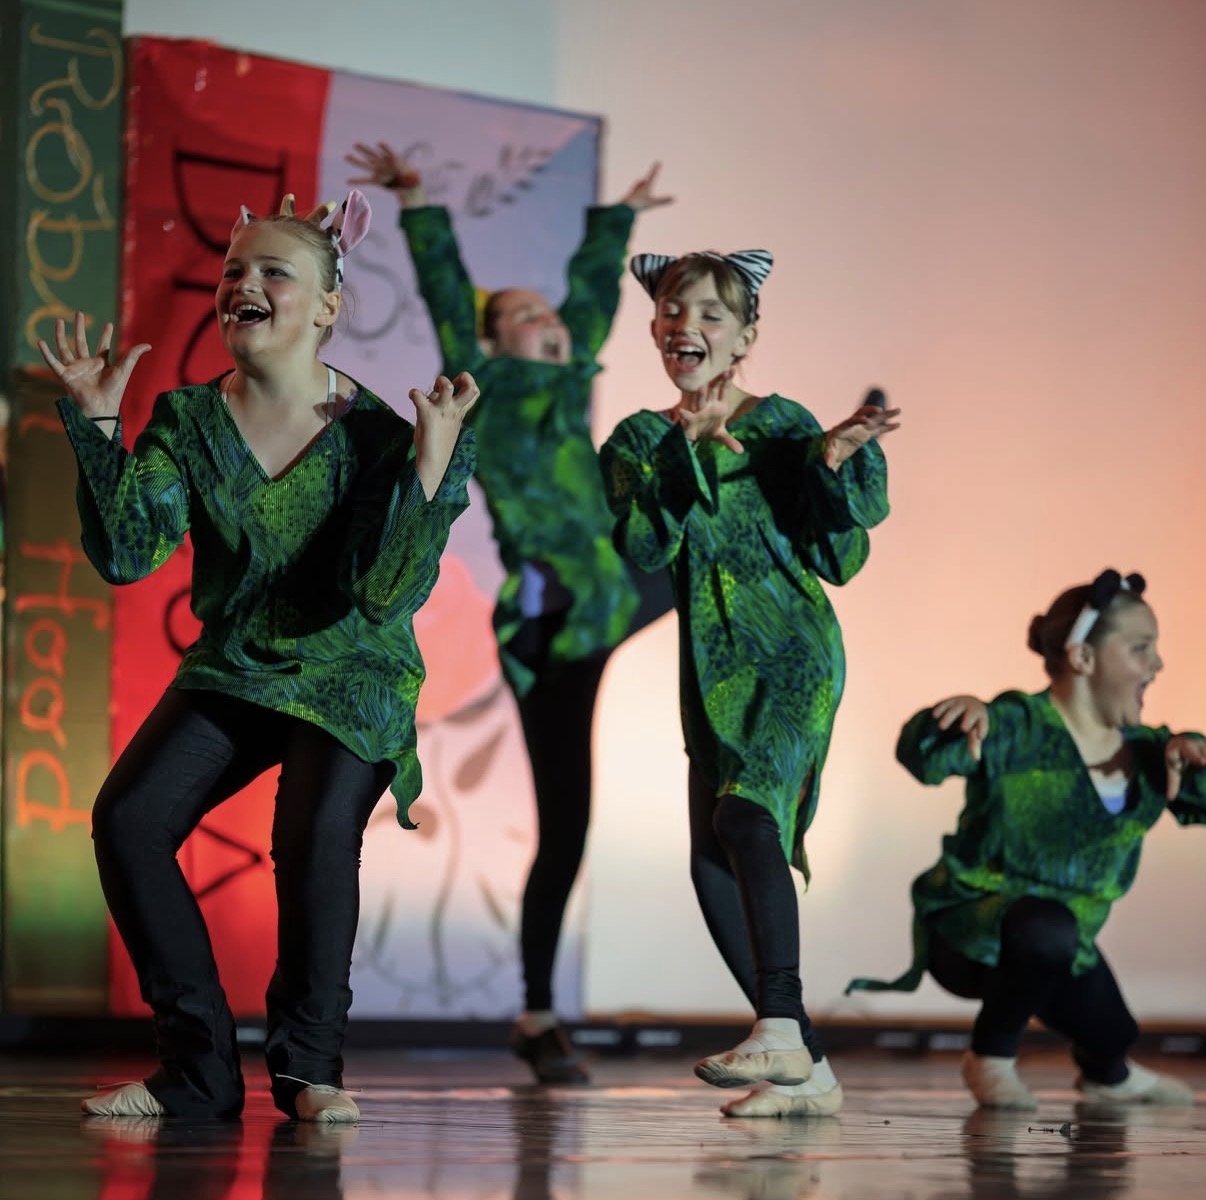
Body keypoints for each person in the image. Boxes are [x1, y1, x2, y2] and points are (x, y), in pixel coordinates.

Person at [39, 191, 478, 1122]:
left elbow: (385, 595)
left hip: (351, 670)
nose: (245, 283)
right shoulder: (189, 420)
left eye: (275, 271)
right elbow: (127, 555)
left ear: (326, 308)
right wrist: (100, 428)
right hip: (238, 665)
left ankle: (310, 1069)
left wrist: (430, 475)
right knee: (129, 819)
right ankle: (197, 1069)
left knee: (312, 834)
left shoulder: (376, 436)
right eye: (235, 269)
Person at [346, 142, 674, 1083]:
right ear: (491, 343)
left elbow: (592, 299)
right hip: (550, 622)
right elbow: (453, 297)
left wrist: (620, 220)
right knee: (567, 819)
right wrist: (417, 200)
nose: (550, 321)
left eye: (548, 312)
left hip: (610, 593)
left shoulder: (571, 383)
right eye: (525, 315)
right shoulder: (483, 387)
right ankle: (536, 1016)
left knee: (710, 551)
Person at [598, 248, 899, 1117]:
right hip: (712, 669)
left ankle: (777, 1023)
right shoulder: (638, 439)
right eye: (671, 310)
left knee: (743, 818)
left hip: (794, 653)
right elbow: (642, 550)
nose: (684, 326)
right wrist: (680, 456)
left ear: (745, 337)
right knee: (710, 861)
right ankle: (810, 1073)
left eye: (709, 314)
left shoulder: (781, 424)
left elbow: (840, 557)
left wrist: (829, 464)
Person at [846, 570, 1206, 1110]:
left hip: (1062, 943)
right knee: (1046, 929)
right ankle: (990, 1057)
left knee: (1112, 1033)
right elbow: (921, 758)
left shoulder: (1153, 753)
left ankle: (1109, 1076)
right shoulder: (1016, 724)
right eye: (1140, 648)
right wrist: (954, 719)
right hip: (970, 932)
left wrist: (1195, 751)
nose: (1156, 664)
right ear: (1083, 657)